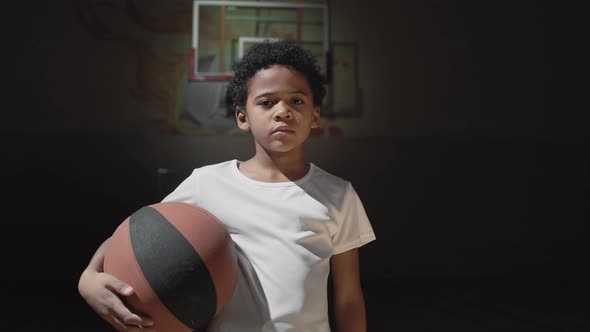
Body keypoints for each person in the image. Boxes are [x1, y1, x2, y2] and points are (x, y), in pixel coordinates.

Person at [78, 40, 376, 332]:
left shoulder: (338, 193)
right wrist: (89, 277)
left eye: (296, 101)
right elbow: (141, 233)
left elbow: (348, 297)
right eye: (266, 102)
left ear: (314, 116)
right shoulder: (207, 183)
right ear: (242, 117)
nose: (283, 111)